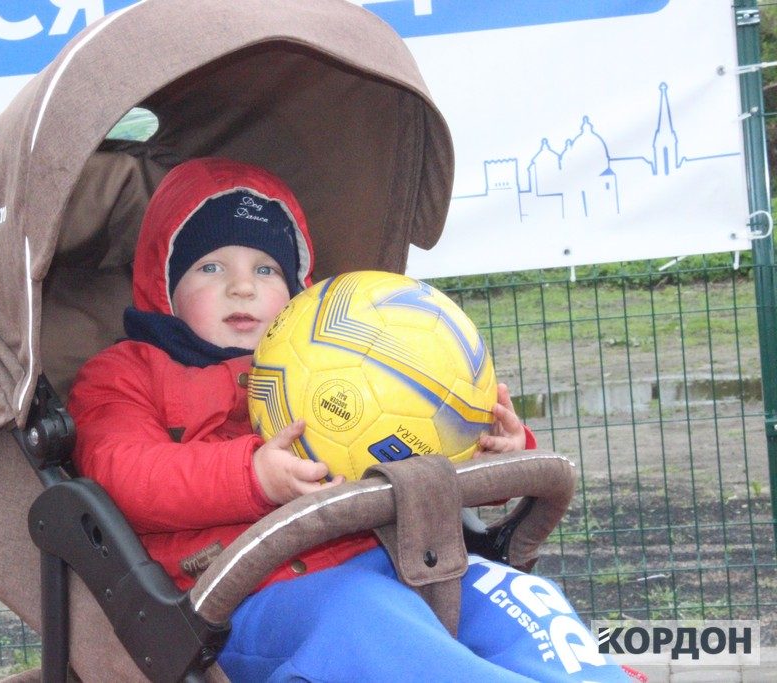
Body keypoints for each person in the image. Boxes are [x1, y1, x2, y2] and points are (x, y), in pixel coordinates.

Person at [68, 157, 632, 682]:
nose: (242, 286)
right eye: (210, 267)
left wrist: (491, 447)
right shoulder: (127, 373)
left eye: (265, 268)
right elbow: (121, 473)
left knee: (520, 599)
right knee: (369, 622)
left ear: (297, 289)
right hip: (255, 598)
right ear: (164, 285)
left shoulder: (347, 357)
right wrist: (252, 477)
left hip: (403, 557)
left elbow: (415, 440)